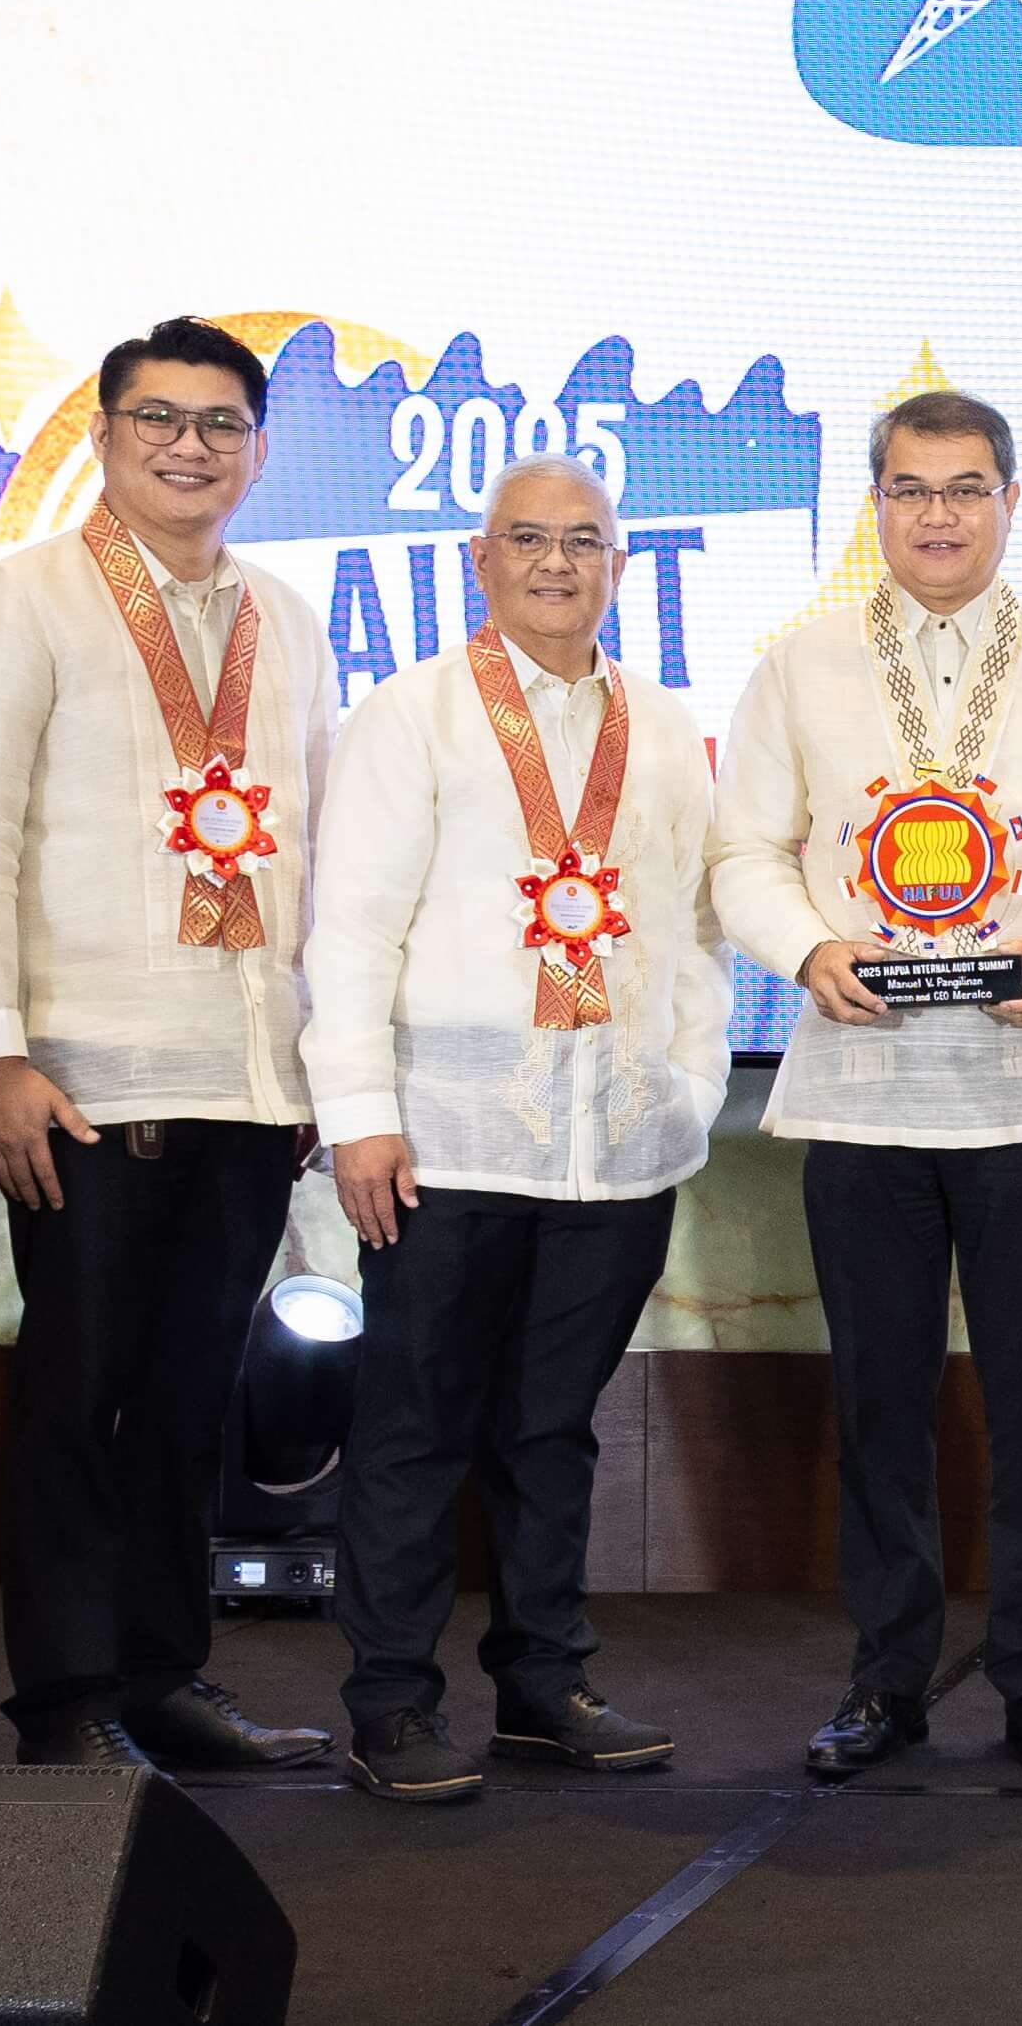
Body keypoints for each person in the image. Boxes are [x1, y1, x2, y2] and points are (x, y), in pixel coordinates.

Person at [712, 390, 1022, 1779]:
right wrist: (808, 946)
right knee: (879, 1403)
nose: (939, 515)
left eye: (966, 488)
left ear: (1010, 502)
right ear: (876, 505)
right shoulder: (799, 668)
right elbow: (742, 853)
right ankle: (885, 1676)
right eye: (911, 489)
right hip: (862, 1089)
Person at [0, 316, 336, 1771]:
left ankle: (164, 1677)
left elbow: (316, 853)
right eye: (157, 417)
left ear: (258, 452)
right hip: (83, 1085)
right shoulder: (15, 603)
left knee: (188, 1407)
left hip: (248, 1082)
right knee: (76, 1402)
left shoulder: (286, 617)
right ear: (102, 435)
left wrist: (312, 1063)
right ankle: (64, 1702)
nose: (188, 446)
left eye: (220, 423)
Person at [304, 454, 723, 1802]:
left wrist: (689, 1086)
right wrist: (358, 1116)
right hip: (446, 1143)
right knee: (415, 1425)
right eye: (528, 539)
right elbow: (350, 928)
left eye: (583, 541)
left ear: (619, 565)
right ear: (479, 560)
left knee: (553, 1428)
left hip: (617, 1149)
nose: (555, 562)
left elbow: (695, 933)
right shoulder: (410, 714)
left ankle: (544, 1682)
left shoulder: (663, 725)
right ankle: (391, 1701)